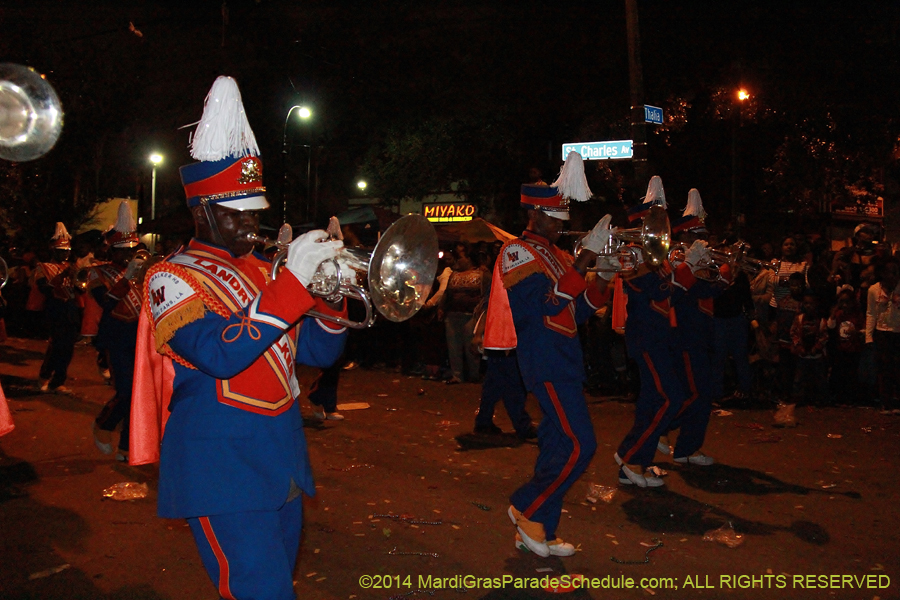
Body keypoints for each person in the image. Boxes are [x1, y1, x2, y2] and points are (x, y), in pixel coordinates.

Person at [129, 76, 349, 600]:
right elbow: (217, 354)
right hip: (220, 469)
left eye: (255, 214)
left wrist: (332, 298)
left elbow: (318, 352)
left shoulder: (265, 272)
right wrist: (292, 287)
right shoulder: (170, 276)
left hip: (283, 461)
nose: (251, 226)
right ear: (203, 212)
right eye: (237, 215)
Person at [501, 152, 613, 558]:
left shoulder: (559, 256)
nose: (559, 226)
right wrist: (585, 258)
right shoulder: (517, 252)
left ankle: (539, 529)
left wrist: (603, 274)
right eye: (553, 219)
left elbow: (577, 311)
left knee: (555, 444)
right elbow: (548, 305)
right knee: (581, 444)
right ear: (534, 214)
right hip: (543, 360)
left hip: (565, 358)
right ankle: (525, 505)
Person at [90, 202, 144, 461]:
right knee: (125, 392)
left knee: (139, 393)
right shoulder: (97, 273)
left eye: (131, 250)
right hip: (116, 339)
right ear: (112, 251)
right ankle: (104, 424)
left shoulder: (141, 273)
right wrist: (126, 279)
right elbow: (106, 303)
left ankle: (127, 445)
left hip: (140, 338)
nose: (128, 256)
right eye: (123, 251)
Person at [471, 250, 536, 439]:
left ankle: (483, 422)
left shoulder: (502, 281)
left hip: (499, 338)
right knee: (512, 383)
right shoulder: (513, 283)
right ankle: (521, 425)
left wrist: (479, 333)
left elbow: (487, 305)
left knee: (494, 383)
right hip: (507, 339)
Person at [35, 223, 82, 393]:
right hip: (55, 310)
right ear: (54, 251)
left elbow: (79, 289)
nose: (65, 254)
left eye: (67, 251)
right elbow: (44, 288)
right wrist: (62, 276)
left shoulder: (70, 268)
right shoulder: (44, 267)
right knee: (56, 346)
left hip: (70, 309)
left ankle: (58, 380)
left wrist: (77, 278)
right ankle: (44, 376)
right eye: (62, 251)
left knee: (68, 348)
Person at [865, 258, 900, 414]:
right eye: (889, 272)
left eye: (895, 272)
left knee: (897, 367)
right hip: (882, 332)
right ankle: (885, 402)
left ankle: (897, 401)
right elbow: (871, 313)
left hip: (898, 332)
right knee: (884, 368)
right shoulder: (874, 290)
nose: (892, 276)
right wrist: (868, 336)